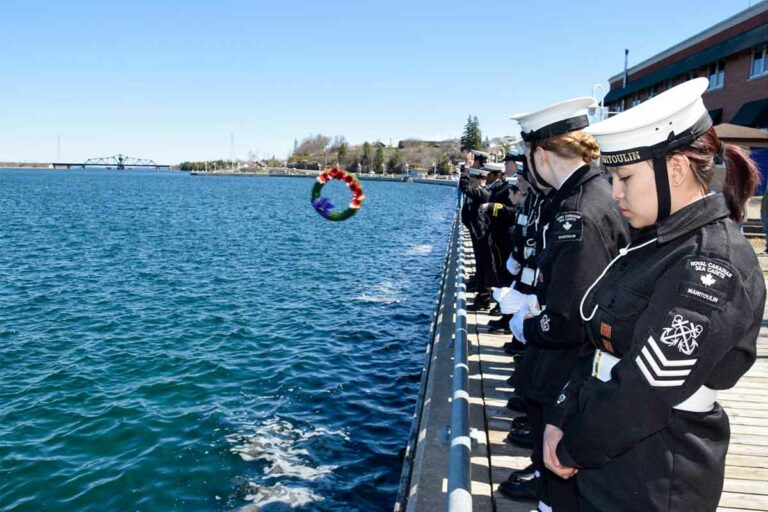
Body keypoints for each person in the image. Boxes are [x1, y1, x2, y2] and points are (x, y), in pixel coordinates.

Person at [543, 78, 765, 512]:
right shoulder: (656, 243)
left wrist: (574, 448)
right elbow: (598, 350)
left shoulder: (709, 264)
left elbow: (647, 386)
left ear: (677, 170)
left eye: (625, 177)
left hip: (656, 478)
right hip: (611, 464)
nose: (616, 192)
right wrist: (560, 414)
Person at [501, 97, 630, 511]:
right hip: (576, 365)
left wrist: (524, 325)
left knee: (557, 485)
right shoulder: (593, 194)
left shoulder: (579, 213)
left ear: (539, 153)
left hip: (566, 369)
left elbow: (571, 319)